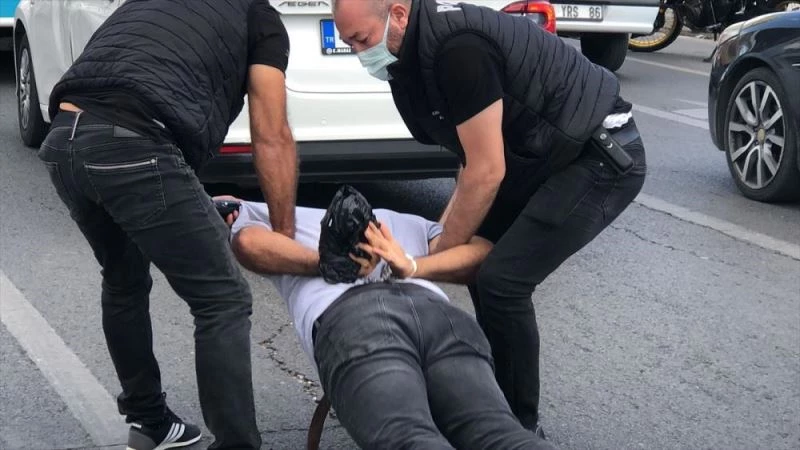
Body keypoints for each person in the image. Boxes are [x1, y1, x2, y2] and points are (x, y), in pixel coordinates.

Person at [332, 0, 648, 434]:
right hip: (538, 154)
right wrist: (441, 236)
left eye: (361, 39)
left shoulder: (458, 50)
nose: (357, 53)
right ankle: (492, 405)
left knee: (502, 281)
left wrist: (430, 258)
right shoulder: (409, 57)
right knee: (477, 270)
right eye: (348, 43)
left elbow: (486, 173)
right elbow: (469, 156)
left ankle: (516, 430)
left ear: (399, 15)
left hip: (600, 155)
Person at [36, 1, 297, 448]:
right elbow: (271, 135)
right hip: (133, 144)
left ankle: (149, 422)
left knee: (123, 280)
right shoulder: (258, 17)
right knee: (223, 298)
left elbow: (140, 81)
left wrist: (195, 202)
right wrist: (285, 237)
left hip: (65, 140)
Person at [221, 195, 558, 450]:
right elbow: (482, 252)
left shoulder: (279, 220)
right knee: (497, 431)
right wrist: (410, 265)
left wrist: (332, 264)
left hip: (358, 322)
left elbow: (247, 242)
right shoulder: (410, 223)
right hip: (439, 317)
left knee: (408, 437)